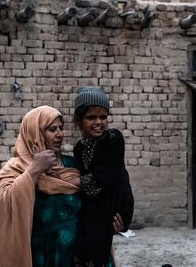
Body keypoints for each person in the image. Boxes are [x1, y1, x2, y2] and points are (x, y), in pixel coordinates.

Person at [0, 105, 124, 267]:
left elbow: (99, 198)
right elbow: (6, 206)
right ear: (35, 133)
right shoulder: (15, 168)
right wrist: (35, 170)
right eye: (52, 129)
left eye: (61, 128)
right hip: (45, 256)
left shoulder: (73, 165)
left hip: (83, 254)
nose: (59, 135)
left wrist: (110, 222)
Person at [73, 87, 135, 267]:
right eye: (91, 117)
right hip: (93, 209)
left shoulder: (114, 139)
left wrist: (73, 182)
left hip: (114, 206)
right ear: (79, 121)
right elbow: (88, 186)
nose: (98, 122)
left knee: (97, 256)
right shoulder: (79, 148)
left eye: (103, 117)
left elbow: (105, 177)